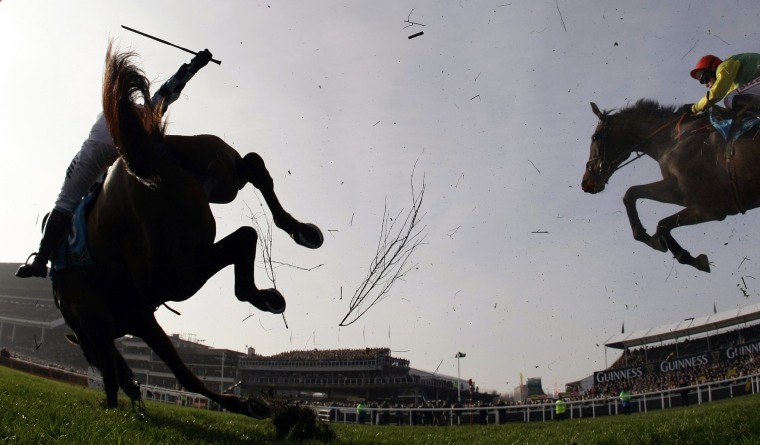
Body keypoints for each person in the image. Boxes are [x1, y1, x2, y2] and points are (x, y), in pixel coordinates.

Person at [16, 49, 213, 279]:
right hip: (117, 154)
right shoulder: (140, 112)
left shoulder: (117, 111)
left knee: (64, 205)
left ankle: (40, 261)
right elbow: (167, 93)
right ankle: (197, 179)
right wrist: (193, 66)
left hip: (93, 157)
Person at [686, 53, 760, 114]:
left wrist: (694, 108)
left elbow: (716, 93)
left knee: (729, 99)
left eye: (705, 79)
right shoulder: (733, 85)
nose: (706, 85)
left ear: (712, 69)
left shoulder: (724, 66)